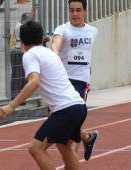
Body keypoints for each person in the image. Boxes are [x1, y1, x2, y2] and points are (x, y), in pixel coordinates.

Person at [0, 20, 87, 170]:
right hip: (79, 106)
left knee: (36, 148)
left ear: (22, 41)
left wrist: (11, 106)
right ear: (41, 38)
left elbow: (34, 82)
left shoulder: (30, 55)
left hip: (65, 109)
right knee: (64, 146)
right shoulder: (49, 53)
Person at [51, 0, 98, 161]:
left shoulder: (93, 31)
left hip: (80, 82)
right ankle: (86, 137)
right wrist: (55, 52)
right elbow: (56, 42)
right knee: (58, 122)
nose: (75, 14)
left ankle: (71, 163)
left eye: (78, 10)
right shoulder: (63, 29)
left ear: (85, 11)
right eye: (72, 10)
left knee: (72, 121)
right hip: (62, 82)